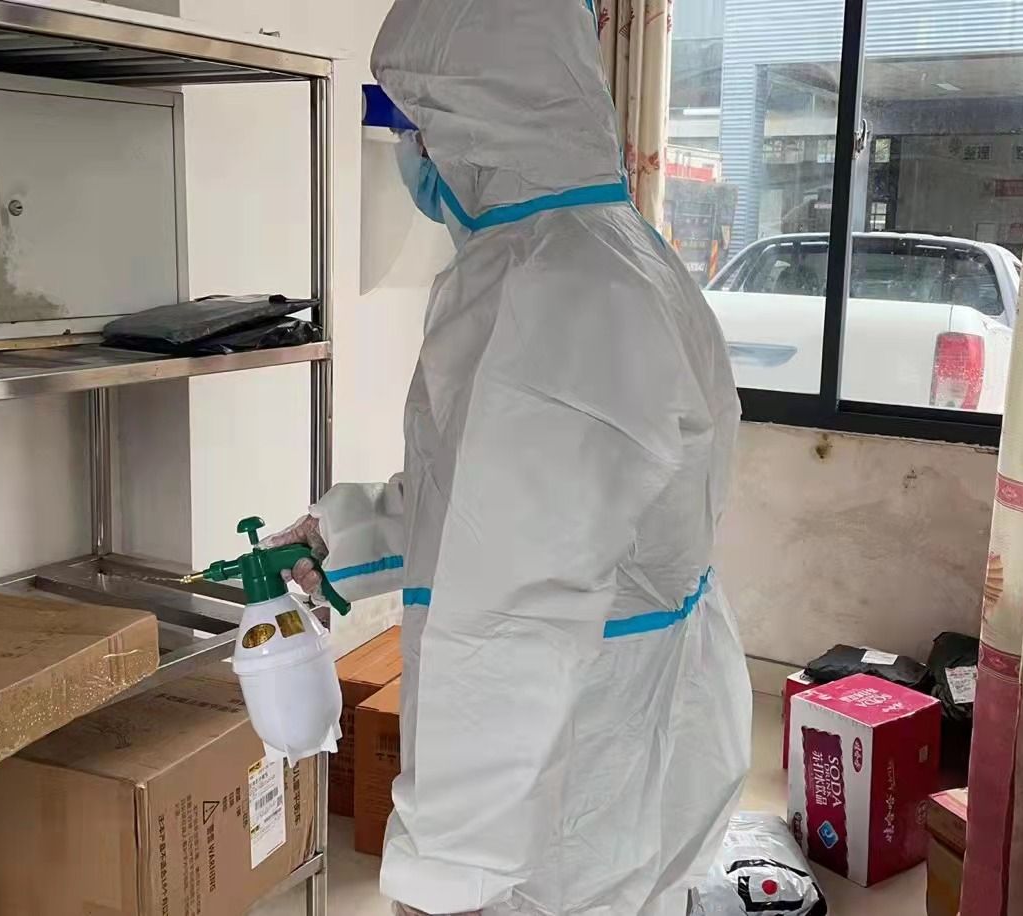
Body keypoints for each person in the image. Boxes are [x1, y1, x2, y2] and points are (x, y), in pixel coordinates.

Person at [265, 1, 751, 913]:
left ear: (479, 117)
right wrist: (343, 535)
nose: (408, 150)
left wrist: (447, 866)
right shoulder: (591, 251)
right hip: (608, 702)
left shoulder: (567, 289)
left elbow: (515, 606)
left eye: (416, 122)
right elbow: (483, 498)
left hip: (570, 743)